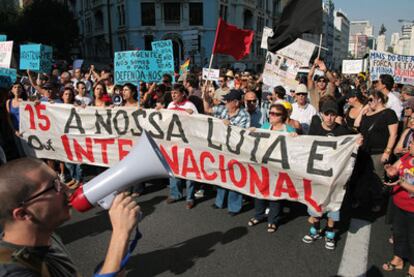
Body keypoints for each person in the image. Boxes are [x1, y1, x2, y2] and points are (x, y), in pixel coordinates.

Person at [0, 158, 140, 276]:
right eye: (55, 186)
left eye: (60, 181)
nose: (69, 190)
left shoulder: (47, 237)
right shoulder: (12, 272)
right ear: (23, 214)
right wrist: (120, 234)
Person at [302, 100, 353, 250]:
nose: (330, 118)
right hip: (317, 176)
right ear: (321, 115)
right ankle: (315, 230)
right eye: (327, 114)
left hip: (335, 177)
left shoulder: (343, 131)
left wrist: (358, 141)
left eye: (333, 114)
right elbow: (305, 146)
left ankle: (330, 233)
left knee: (333, 206)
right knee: (315, 205)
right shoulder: (315, 128)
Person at [248, 104, 296, 233]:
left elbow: (297, 148)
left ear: (283, 116)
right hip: (264, 166)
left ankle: (272, 220)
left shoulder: (289, 130)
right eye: (271, 113)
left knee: (275, 194)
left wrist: (295, 137)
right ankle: (259, 215)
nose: (272, 116)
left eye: (276, 114)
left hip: (279, 168)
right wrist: (252, 131)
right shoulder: (265, 127)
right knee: (260, 191)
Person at [204, 89, 250, 215]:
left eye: (228, 100)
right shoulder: (222, 109)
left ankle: (234, 207)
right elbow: (207, 109)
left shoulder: (244, 115)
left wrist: (230, 126)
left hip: (235, 151)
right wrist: (206, 97)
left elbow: (243, 134)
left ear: (235, 102)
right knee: (221, 174)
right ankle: (220, 201)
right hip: (221, 149)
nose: (225, 102)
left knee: (235, 177)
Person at [354, 89, 399, 211]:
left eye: (371, 99)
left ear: (379, 98)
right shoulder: (367, 113)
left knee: (377, 179)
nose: (369, 102)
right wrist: (362, 111)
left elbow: (393, 134)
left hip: (379, 152)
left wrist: (387, 151)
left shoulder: (388, 113)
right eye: (367, 100)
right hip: (364, 151)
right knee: (362, 176)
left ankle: (378, 201)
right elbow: (357, 125)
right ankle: (361, 200)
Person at [383, 143, 414, 277]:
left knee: (412, 238)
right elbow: (394, 167)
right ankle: (398, 258)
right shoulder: (407, 156)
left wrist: (401, 183)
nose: (410, 144)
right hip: (399, 204)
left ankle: (413, 266)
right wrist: (390, 170)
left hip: (412, 209)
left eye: (413, 143)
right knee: (398, 233)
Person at [165, 84, 197, 209]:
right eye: (172, 93)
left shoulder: (190, 106)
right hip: (173, 143)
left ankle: (190, 197)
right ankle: (175, 194)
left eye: (176, 93)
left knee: (189, 170)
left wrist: (191, 114)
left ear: (183, 94)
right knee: (173, 168)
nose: (173, 95)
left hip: (187, 143)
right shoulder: (170, 105)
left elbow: (198, 123)